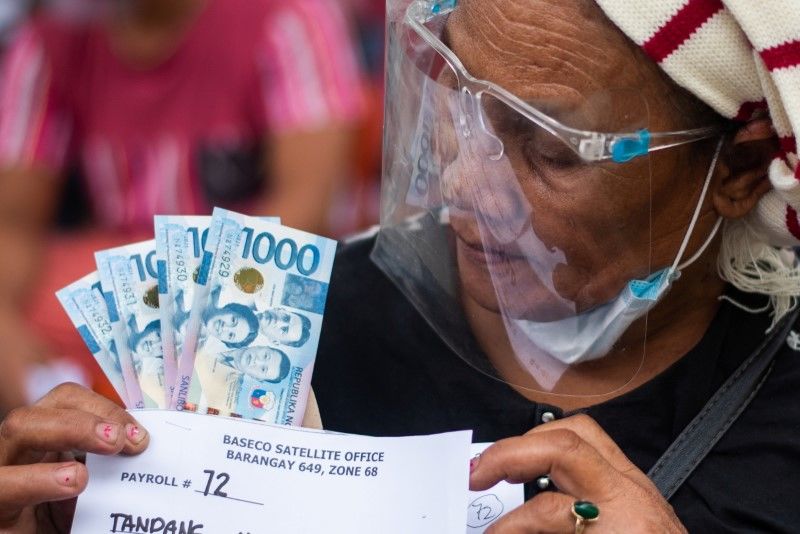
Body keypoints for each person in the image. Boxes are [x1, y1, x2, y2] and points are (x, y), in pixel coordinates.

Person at [3, 1, 800, 532]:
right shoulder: (281, 342)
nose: (461, 181)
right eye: (455, 101)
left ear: (737, 168)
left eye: (550, 149)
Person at [0, 0, 364, 410]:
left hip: (250, 302)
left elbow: (303, 215)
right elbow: (12, 224)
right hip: (129, 313)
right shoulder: (50, 42)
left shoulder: (289, 19)